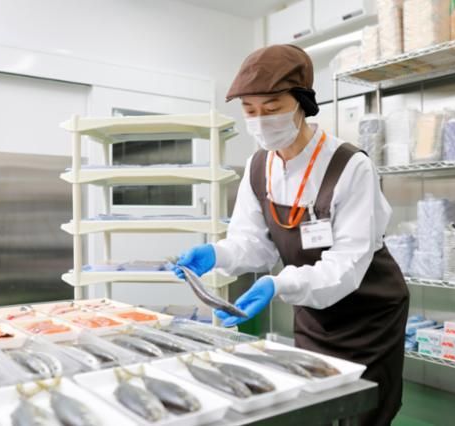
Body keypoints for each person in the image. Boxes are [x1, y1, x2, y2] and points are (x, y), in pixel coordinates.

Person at [173, 44, 410, 426]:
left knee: (365, 409)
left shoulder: (350, 165)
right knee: (315, 400)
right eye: (250, 111)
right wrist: (219, 254)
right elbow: (254, 243)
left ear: (302, 102)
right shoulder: (258, 166)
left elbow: (346, 266)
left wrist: (279, 284)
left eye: (272, 108)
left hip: (368, 312)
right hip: (314, 311)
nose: (260, 121)